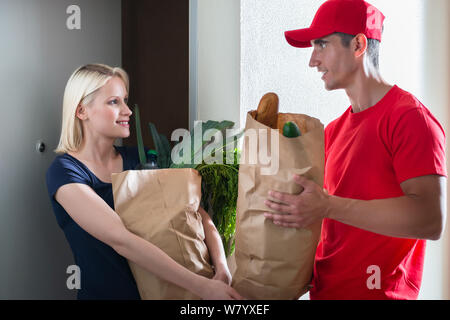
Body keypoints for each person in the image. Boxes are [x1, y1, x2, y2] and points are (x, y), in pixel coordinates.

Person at [263, 0, 447, 300]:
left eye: (321, 45)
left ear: (359, 44)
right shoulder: (332, 131)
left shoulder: (409, 119)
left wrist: (328, 205)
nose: (312, 60)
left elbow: (430, 219)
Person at [46, 63, 242, 300]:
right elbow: (121, 240)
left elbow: (196, 213)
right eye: (114, 102)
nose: (127, 110)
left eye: (125, 100)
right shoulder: (65, 172)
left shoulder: (143, 158)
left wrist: (221, 268)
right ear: (81, 111)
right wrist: (202, 287)